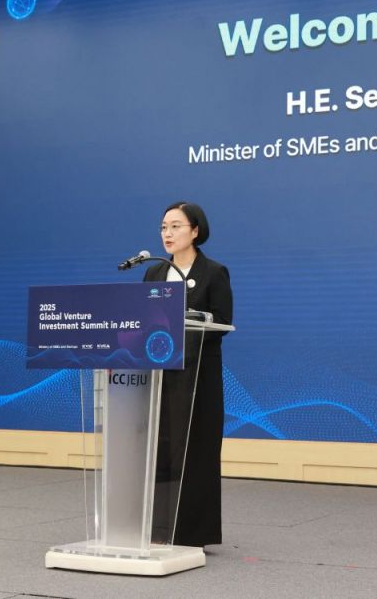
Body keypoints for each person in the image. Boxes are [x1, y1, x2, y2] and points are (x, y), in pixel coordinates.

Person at [143, 201, 233, 548]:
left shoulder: (214, 272)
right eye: (164, 227)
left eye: (176, 226)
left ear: (195, 231)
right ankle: (157, 528)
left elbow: (222, 322)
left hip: (198, 377)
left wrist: (188, 325)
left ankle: (193, 533)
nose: (167, 233)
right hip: (159, 376)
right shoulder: (154, 273)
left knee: (196, 451)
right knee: (160, 449)